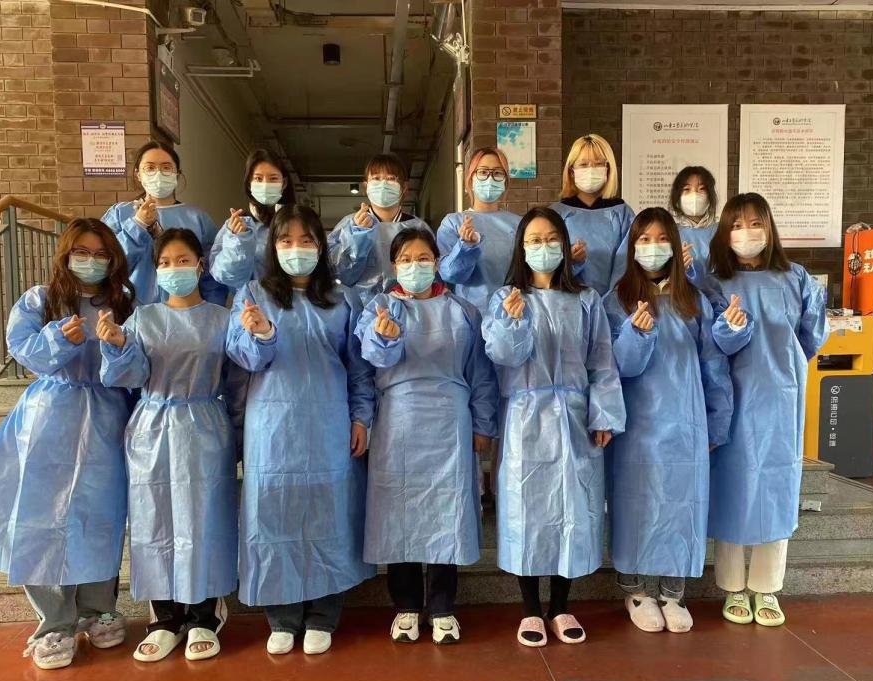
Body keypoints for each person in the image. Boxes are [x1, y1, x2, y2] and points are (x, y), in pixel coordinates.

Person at [0, 219, 135, 670]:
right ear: (65, 254)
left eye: (101, 254)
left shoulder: (124, 303)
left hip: (107, 417)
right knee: (40, 518)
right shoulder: (40, 300)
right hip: (49, 418)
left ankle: (98, 609)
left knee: (101, 517)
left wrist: (118, 346)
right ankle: (54, 622)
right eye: (82, 252)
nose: (91, 261)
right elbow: (23, 349)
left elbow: (139, 360)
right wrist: (58, 339)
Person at [226, 204, 376, 656]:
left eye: (307, 240)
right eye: (286, 240)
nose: (297, 249)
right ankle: (283, 616)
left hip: (329, 422)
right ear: (272, 247)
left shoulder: (343, 299)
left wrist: (361, 417)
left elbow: (360, 367)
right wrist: (260, 334)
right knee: (275, 514)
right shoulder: (253, 295)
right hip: (272, 427)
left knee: (328, 515)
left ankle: (323, 615)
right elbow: (243, 359)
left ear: (322, 246)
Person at [482, 207, 625, 647]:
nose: (542, 247)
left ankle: (561, 607)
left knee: (573, 510)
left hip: (575, 416)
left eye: (550, 239)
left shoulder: (587, 300)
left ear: (564, 244)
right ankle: (529, 609)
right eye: (534, 240)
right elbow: (502, 356)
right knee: (526, 511)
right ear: (521, 248)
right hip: (526, 416)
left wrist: (604, 413)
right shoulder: (506, 298)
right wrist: (511, 322)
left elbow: (602, 360)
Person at [98, 228, 238, 662]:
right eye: (165, 262)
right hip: (152, 427)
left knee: (204, 520)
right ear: (156, 270)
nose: (174, 269)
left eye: (183, 261)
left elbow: (239, 378)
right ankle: (164, 619)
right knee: (153, 520)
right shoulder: (143, 319)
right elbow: (129, 376)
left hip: (205, 425)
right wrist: (118, 346)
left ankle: (203, 616)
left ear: (200, 265)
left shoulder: (222, 319)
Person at [356, 229, 498, 645]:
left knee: (446, 511)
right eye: (405, 259)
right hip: (397, 422)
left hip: (450, 423)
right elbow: (367, 363)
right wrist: (383, 338)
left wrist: (483, 425)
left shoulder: (463, 311)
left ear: (437, 262)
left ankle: (441, 607)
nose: (414, 266)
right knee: (398, 513)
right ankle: (405, 605)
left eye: (423, 258)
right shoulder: (379, 307)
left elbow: (481, 374)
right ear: (393, 265)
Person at [698, 193, 828, 627]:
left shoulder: (796, 278)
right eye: (737, 225)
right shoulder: (715, 283)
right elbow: (711, 343)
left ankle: (767, 587)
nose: (747, 233)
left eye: (756, 223)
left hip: (780, 396)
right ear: (724, 233)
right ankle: (733, 586)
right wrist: (731, 331)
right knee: (732, 487)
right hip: (732, 396)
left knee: (776, 485)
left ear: (770, 228)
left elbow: (812, 334)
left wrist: (784, 364)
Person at [604, 207, 735, 634]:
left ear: (677, 247)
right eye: (644, 239)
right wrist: (635, 336)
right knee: (636, 504)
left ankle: (673, 592)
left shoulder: (692, 300)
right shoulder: (616, 300)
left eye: (662, 239)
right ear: (631, 247)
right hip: (636, 427)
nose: (653, 247)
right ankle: (636, 590)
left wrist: (717, 423)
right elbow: (613, 368)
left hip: (685, 423)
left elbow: (714, 366)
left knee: (682, 505)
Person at [102, 140, 226, 306]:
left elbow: (212, 275)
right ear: (138, 174)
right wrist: (137, 225)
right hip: (130, 309)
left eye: (166, 167)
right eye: (150, 168)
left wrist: (212, 311)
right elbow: (108, 266)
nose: (158, 173)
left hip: (187, 311)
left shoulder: (197, 218)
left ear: (177, 173)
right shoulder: (120, 214)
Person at [328, 152, 432, 302]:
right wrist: (358, 237)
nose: (383, 184)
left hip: (409, 307)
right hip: (360, 308)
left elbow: (432, 273)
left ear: (404, 187)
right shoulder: (349, 225)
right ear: (366, 186)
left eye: (391, 178)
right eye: (376, 178)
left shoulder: (418, 228)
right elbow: (340, 273)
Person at [437, 146, 521, 315]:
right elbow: (449, 275)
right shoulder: (453, 223)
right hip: (469, 314)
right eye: (483, 172)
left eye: (497, 173)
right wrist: (465, 248)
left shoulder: (519, 224)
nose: (490, 178)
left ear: (505, 181)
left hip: (511, 312)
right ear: (471, 178)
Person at [550, 134, 635, 295]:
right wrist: (569, 261)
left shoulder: (622, 213)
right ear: (571, 171)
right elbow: (546, 267)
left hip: (615, 300)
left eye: (598, 164)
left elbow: (626, 263)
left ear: (608, 169)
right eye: (583, 164)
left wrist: (613, 299)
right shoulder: (556, 214)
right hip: (568, 300)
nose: (591, 169)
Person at [210, 149, 298, 293]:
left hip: (293, 304)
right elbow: (225, 276)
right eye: (258, 178)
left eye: (273, 178)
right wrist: (239, 241)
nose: (265, 184)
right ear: (249, 183)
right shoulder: (236, 225)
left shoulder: (299, 223)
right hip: (249, 304)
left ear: (284, 182)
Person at [670, 165, 719, 274]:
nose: (694, 194)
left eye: (702, 189)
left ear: (710, 195)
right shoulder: (670, 232)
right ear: (677, 197)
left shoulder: (722, 230)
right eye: (687, 189)